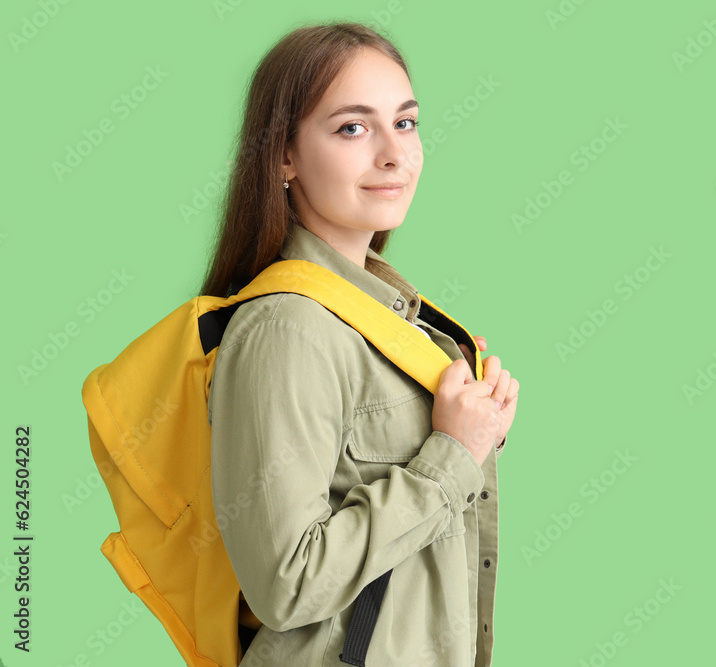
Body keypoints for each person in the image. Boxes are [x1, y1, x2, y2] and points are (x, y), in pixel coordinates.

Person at [202, 21, 519, 666]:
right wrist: (452, 454)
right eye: (353, 127)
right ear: (283, 156)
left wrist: (469, 427)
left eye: (405, 122)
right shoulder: (286, 331)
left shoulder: (386, 320)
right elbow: (286, 583)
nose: (394, 154)